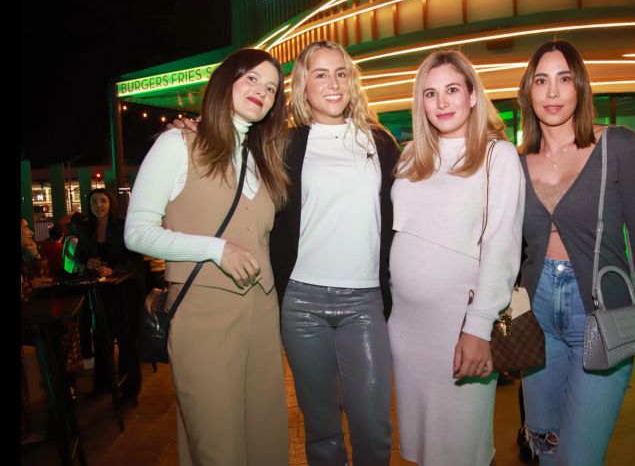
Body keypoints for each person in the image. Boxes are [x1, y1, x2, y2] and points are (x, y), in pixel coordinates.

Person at [124, 48, 290, 465]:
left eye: (271, 88)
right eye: (252, 78)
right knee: (217, 444)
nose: (262, 91)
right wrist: (214, 249)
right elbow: (137, 233)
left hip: (263, 313)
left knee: (266, 438)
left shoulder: (262, 157)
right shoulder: (176, 143)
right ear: (225, 81)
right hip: (203, 315)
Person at [517, 40, 635, 465]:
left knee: (578, 457)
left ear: (580, 86)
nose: (553, 92)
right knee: (543, 445)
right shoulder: (517, 160)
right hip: (536, 314)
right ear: (529, 92)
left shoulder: (619, 146)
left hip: (599, 312)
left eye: (564, 79)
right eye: (541, 81)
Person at [388, 49, 525, 466]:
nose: (442, 102)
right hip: (406, 329)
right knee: (421, 447)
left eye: (451, 90)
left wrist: (479, 326)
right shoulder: (411, 156)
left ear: (471, 96)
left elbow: (502, 245)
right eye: (431, 93)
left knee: (462, 450)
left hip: (460, 325)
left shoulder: (496, 155)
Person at [269, 40, 399, 466]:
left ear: (352, 82)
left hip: (364, 301)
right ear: (303, 87)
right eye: (320, 74)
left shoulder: (378, 142)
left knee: (374, 426)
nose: (332, 83)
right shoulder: (284, 145)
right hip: (302, 302)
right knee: (321, 429)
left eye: (341, 73)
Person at [79, 188, 147, 405]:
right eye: (94, 202)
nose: (98, 205)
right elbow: (80, 256)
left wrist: (114, 270)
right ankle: (103, 385)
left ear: (111, 203)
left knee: (126, 339)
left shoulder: (123, 225)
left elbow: (136, 259)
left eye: (103, 201)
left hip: (125, 290)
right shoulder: (86, 228)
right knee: (102, 339)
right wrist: (87, 262)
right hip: (101, 292)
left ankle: (130, 391)